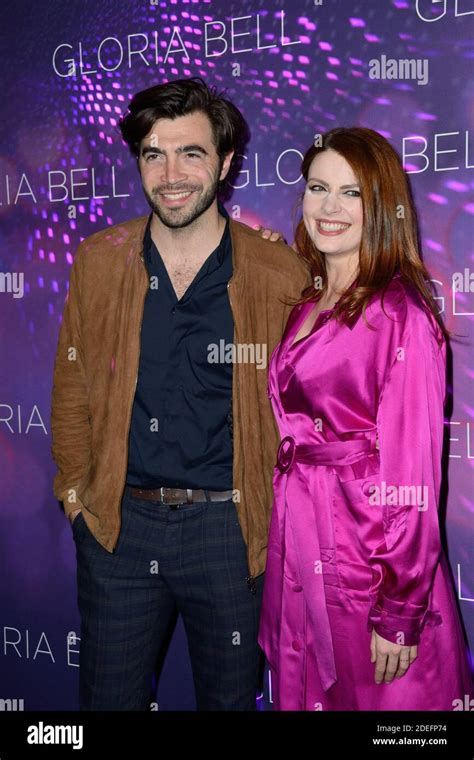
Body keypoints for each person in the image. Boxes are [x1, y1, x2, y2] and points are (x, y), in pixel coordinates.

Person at [50, 77, 311, 710]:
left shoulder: (278, 273)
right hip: (120, 527)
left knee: (229, 702)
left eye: (190, 153)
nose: (170, 174)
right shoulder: (99, 260)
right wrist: (77, 501)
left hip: (231, 532)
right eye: (152, 153)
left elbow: (304, 413)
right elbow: (73, 386)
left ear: (224, 163)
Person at [257, 127, 473, 710]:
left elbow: (415, 477)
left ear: (381, 205)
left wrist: (401, 608)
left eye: (350, 193)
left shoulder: (400, 313)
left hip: (368, 561)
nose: (329, 207)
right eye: (318, 187)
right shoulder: (307, 298)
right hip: (303, 541)